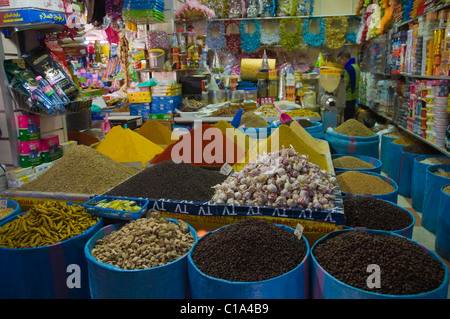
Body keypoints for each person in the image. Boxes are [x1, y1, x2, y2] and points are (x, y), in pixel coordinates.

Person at [337, 49, 360, 121]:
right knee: (351, 116)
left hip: (348, 97)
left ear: (344, 59)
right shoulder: (356, 67)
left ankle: (346, 131)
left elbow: (345, 84)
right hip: (355, 95)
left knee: (347, 118)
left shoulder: (348, 68)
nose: (340, 63)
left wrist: (337, 90)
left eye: (340, 60)